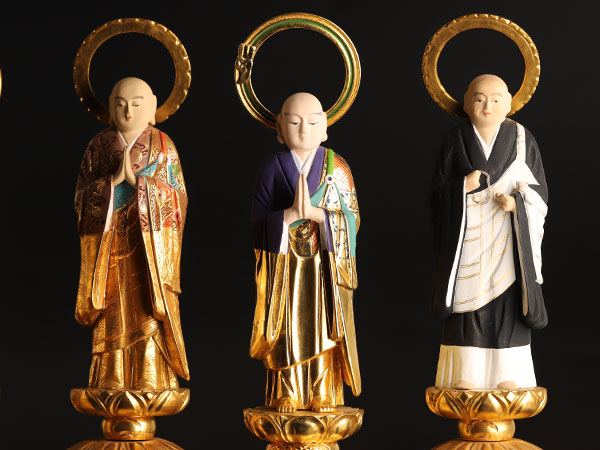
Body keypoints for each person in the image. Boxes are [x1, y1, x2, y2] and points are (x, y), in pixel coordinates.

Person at [430, 74, 548, 390]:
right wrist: (461, 187)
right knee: (466, 305)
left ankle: (508, 372)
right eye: (479, 99)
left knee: (509, 304)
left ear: (510, 103)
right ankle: (466, 371)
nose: (487, 106)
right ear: (466, 103)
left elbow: (539, 193)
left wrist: (517, 204)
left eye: (496, 99)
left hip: (507, 235)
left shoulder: (522, 139)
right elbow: (436, 194)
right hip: (467, 236)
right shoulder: (455, 139)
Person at [75, 77, 189, 390]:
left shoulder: (163, 145)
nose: (128, 112)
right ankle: (110, 371)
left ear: (152, 108)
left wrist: (142, 186)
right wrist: (110, 184)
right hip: (109, 241)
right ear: (110, 110)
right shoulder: (99, 146)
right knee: (110, 304)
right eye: (120, 104)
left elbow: (178, 198)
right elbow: (81, 197)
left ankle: (148, 372)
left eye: (137, 105)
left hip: (148, 243)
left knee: (146, 304)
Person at [250, 93, 361, 413]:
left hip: (323, 264)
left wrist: (317, 215)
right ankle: (286, 391)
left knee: (322, 325)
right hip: (284, 264)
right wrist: (285, 217)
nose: (303, 129)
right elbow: (257, 222)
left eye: (312, 122)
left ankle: (322, 391)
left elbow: (353, 217)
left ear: (325, 128)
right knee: (286, 326)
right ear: (279, 129)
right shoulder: (272, 167)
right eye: (294, 122)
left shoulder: (337, 167)